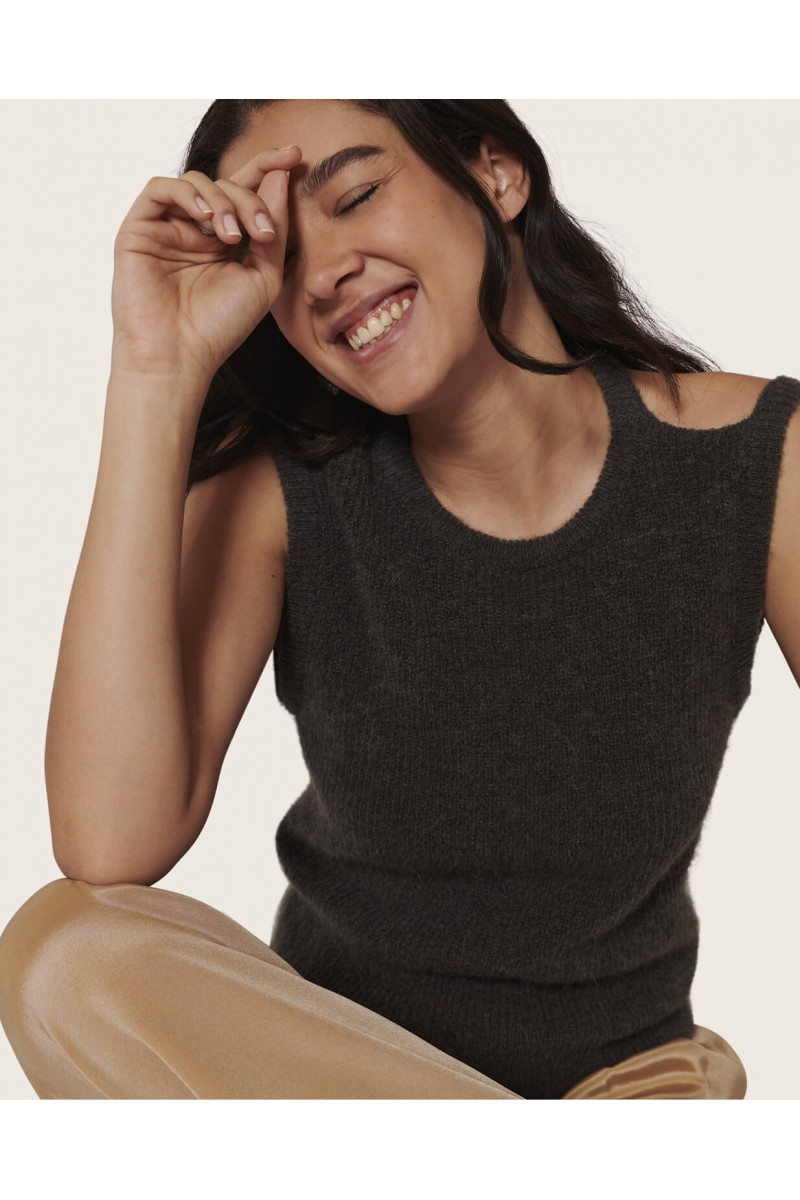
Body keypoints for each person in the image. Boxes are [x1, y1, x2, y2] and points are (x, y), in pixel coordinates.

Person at [0, 99, 797, 1100]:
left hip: (624, 1089)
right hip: (325, 1091)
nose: (321, 274)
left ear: (496, 175)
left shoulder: (757, 461)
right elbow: (108, 843)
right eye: (283, 257)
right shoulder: (282, 497)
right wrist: (154, 368)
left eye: (356, 195)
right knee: (61, 949)